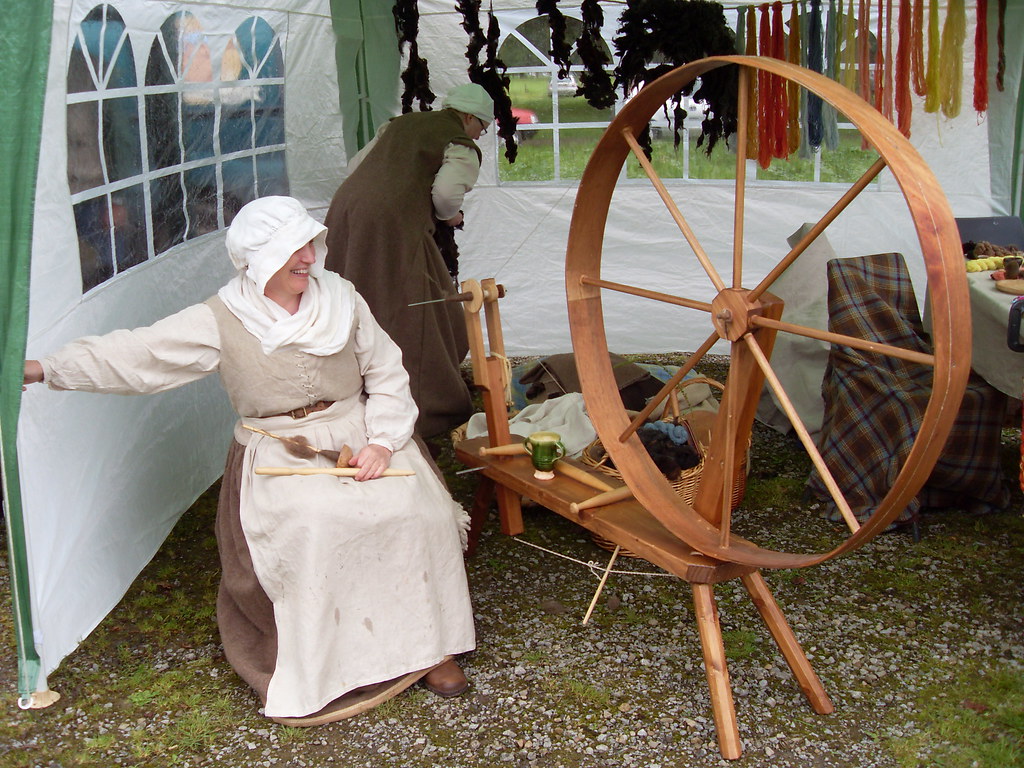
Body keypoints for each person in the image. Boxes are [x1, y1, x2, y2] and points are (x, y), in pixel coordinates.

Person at [23, 196, 475, 726]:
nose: (308, 258)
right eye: (293, 250)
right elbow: (138, 354)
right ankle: (328, 664)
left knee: (418, 513)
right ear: (258, 260)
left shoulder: (343, 299)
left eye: (310, 244)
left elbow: (387, 372)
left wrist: (381, 441)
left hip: (362, 431)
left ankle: (430, 648)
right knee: (318, 522)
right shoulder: (221, 318)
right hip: (278, 445)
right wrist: (44, 369)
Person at [323, 83, 495, 439]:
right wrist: (451, 216)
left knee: (352, 300)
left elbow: (358, 164)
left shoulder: (399, 125)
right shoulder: (460, 144)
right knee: (410, 312)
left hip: (346, 212)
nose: (482, 134)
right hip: (391, 224)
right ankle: (419, 411)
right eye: (482, 126)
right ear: (468, 117)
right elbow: (447, 195)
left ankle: (351, 402)